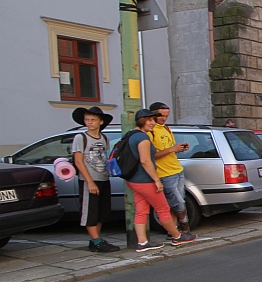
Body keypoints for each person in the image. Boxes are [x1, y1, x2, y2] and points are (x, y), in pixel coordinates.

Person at [125, 109, 197, 252]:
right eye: (150, 120)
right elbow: (146, 161)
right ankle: (177, 236)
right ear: (141, 121)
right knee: (163, 208)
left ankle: (142, 242)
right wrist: (156, 180)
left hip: (133, 180)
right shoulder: (143, 138)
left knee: (141, 211)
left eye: (153, 120)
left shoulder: (130, 135)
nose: (153, 123)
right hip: (145, 180)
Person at [70, 106, 120, 253]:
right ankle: (97, 241)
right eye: (87, 120)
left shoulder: (105, 138)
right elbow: (79, 161)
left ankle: (95, 240)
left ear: (100, 122)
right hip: (89, 180)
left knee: (101, 212)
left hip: (103, 177)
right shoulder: (81, 138)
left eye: (93, 120)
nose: (90, 122)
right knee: (90, 212)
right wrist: (90, 181)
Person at [148, 102, 191, 233]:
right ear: (153, 114)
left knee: (178, 201)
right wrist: (172, 149)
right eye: (161, 115)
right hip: (164, 173)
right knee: (177, 202)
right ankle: (184, 223)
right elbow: (151, 155)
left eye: (166, 116)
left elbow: (169, 149)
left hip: (176, 169)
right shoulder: (150, 131)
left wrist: (179, 148)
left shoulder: (166, 128)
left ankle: (174, 231)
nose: (164, 118)